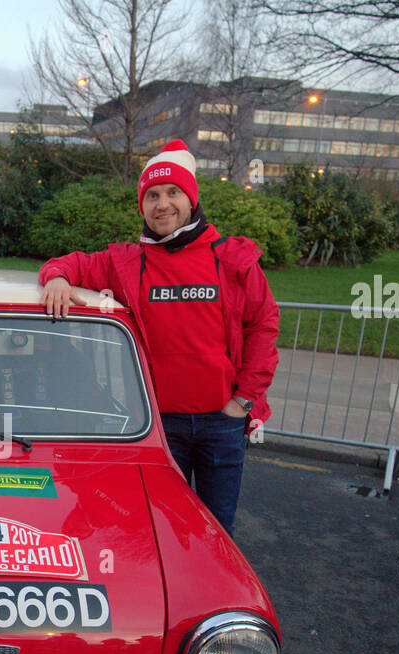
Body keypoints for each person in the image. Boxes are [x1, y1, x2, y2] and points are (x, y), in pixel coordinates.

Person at [39, 139, 279, 536]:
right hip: (160, 429)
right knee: (164, 532)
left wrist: (242, 401)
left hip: (222, 422)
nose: (162, 204)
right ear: (142, 205)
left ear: (191, 199)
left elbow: (264, 327)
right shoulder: (127, 262)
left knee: (216, 532)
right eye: (152, 195)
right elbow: (68, 262)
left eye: (172, 193)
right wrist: (59, 278)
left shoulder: (232, 260)